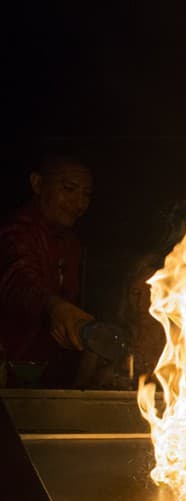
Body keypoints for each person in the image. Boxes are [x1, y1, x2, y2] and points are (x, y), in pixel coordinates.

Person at [0, 154, 94, 387]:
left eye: (86, 194)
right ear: (38, 184)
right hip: (10, 373)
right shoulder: (15, 232)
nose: (79, 203)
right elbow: (19, 277)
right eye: (69, 189)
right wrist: (54, 306)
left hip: (50, 378)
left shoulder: (71, 242)